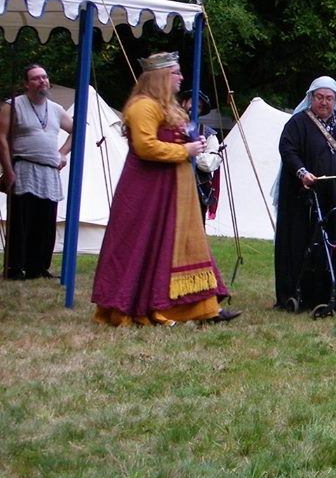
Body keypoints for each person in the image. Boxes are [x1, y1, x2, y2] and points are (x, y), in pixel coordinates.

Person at [91, 52, 238, 326]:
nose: (181, 77)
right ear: (160, 76)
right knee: (145, 246)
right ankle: (142, 308)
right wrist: (185, 150)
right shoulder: (143, 106)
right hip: (147, 191)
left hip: (171, 189)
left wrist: (194, 144)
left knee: (182, 245)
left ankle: (205, 309)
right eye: (175, 72)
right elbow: (145, 146)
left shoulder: (168, 107)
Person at [274, 76, 336, 309]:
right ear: (311, 97)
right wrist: (302, 173)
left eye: (329, 98)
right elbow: (288, 150)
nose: (324, 102)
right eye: (319, 97)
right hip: (305, 195)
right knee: (307, 241)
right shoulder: (298, 123)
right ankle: (303, 294)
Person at [0, 64, 73, 280]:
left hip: (49, 171)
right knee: (21, 220)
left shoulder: (56, 109)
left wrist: (63, 153)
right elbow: (1, 139)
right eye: (36, 78)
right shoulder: (13, 105)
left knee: (45, 221)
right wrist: (8, 170)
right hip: (24, 167)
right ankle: (15, 267)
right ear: (26, 84)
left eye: (44, 77)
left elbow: (78, 129)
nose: (42, 81)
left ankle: (38, 267)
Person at [178, 89, 222, 222]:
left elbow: (209, 164)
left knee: (195, 228)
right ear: (184, 103)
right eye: (193, 103)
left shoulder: (208, 134)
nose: (195, 108)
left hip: (197, 191)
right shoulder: (170, 128)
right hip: (173, 186)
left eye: (199, 106)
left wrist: (192, 152)